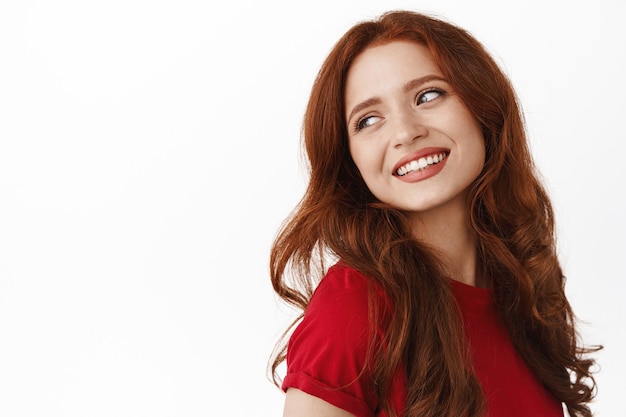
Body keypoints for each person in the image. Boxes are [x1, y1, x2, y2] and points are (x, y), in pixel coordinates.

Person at [269, 10, 600, 417]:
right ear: (350, 160)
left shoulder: (521, 289)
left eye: (428, 95)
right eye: (368, 120)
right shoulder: (355, 307)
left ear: (483, 108)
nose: (405, 132)